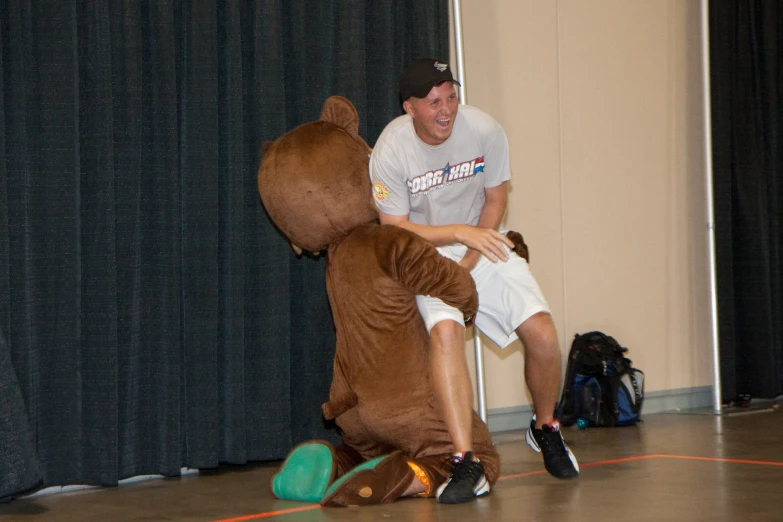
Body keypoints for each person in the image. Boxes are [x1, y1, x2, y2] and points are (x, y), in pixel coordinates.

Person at [369, 58, 579, 504]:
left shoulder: (484, 130)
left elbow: (496, 198)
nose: (445, 110)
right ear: (409, 108)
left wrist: (468, 254)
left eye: (451, 97)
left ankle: (546, 428)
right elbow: (393, 226)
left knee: (542, 332)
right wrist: (455, 241)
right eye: (433, 102)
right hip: (424, 252)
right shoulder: (390, 149)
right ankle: (467, 463)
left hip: (481, 241)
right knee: (446, 334)